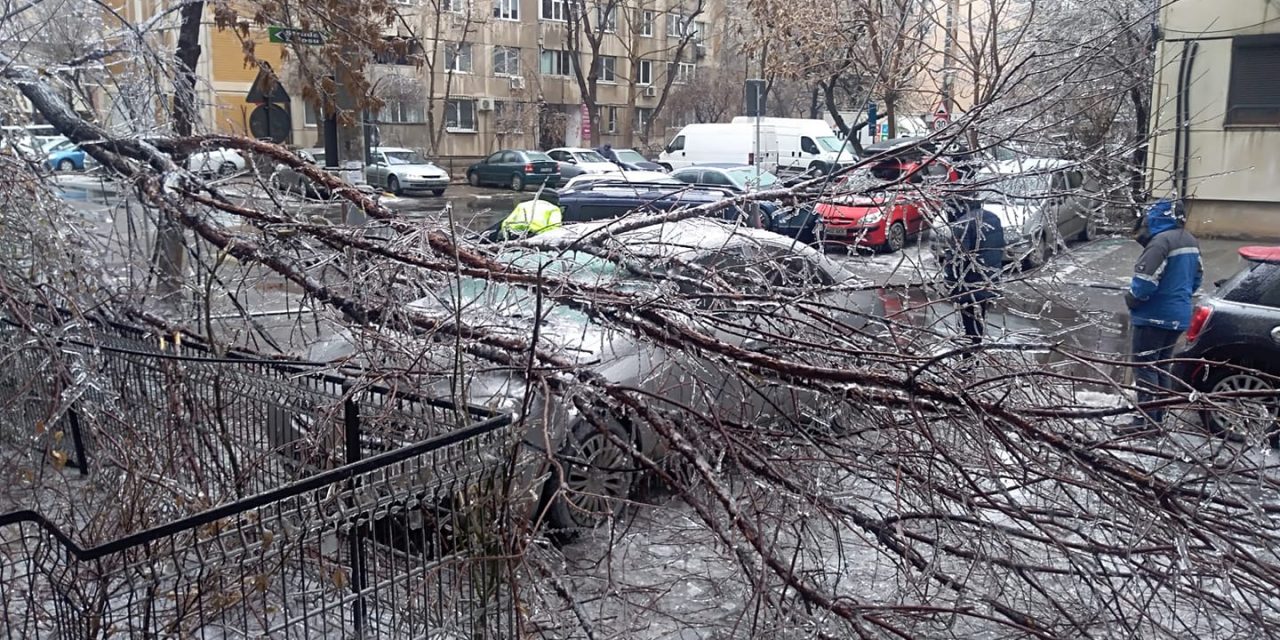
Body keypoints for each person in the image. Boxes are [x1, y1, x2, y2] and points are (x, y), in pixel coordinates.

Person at [1114, 198, 1202, 437]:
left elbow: (1143, 284)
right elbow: (1196, 279)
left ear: (1158, 217)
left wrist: (1132, 298)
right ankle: (1158, 419)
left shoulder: (1160, 243)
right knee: (1162, 367)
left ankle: (1147, 423)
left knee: (1146, 368)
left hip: (1153, 317)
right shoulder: (1189, 240)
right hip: (1178, 316)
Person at [939, 163, 1006, 348]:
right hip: (988, 279)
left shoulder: (963, 224)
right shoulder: (993, 217)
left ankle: (968, 363)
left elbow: (957, 258)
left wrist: (950, 284)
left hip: (968, 284)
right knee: (979, 321)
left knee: (968, 325)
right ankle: (975, 355)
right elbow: (1000, 247)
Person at [478, 190, 562, 243]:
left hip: (513, 233)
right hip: (533, 235)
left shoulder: (523, 205)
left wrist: (504, 236)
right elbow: (554, 228)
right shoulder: (553, 208)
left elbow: (506, 222)